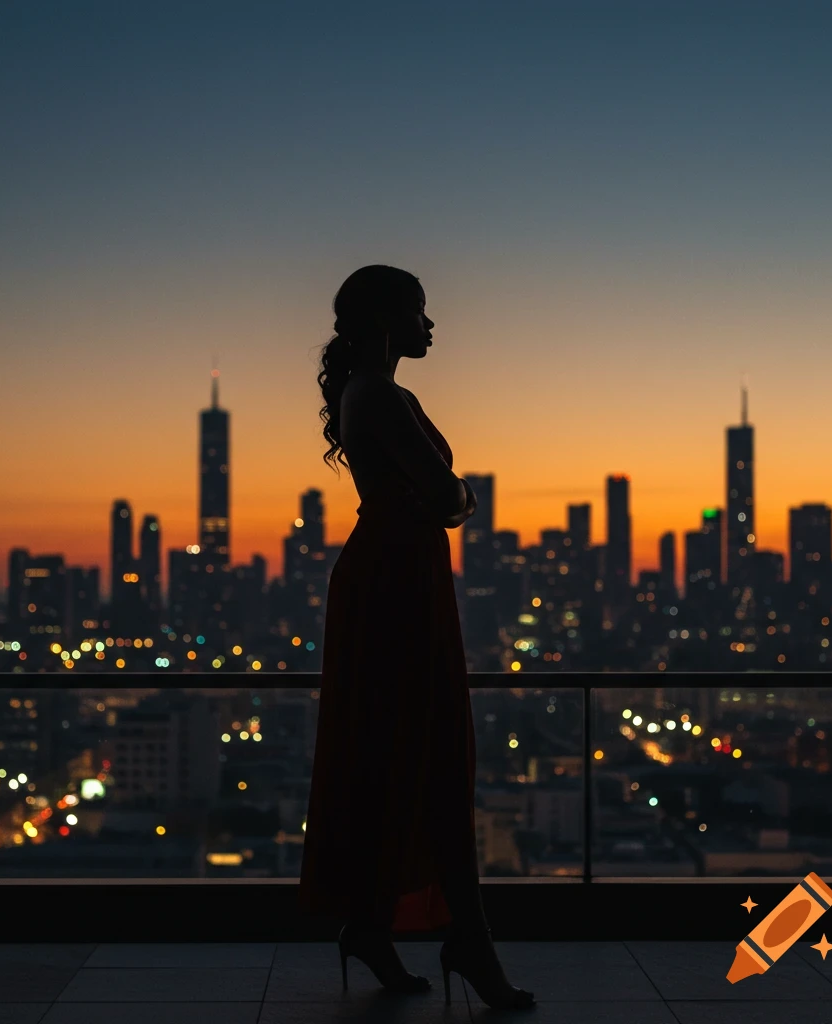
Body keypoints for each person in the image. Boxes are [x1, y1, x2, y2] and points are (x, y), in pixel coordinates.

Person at [298, 264, 534, 1010]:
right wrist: (462, 497)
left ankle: (374, 927)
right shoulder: (379, 395)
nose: (431, 325)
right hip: (395, 581)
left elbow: (440, 497)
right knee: (427, 752)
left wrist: (452, 499)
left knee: (401, 751)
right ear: (387, 318)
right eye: (420, 311)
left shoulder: (376, 394)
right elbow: (446, 495)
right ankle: (470, 942)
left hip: (398, 576)